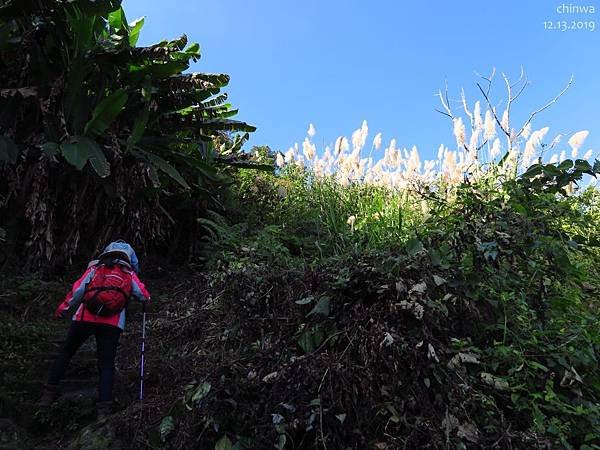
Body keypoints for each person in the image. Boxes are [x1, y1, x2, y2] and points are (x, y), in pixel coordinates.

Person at [39, 240, 150, 418]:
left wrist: (62, 310)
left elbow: (77, 291)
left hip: (84, 318)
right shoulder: (128, 273)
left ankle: (48, 394)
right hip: (112, 324)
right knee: (106, 365)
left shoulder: (95, 268)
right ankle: (103, 409)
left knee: (66, 352)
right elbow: (144, 296)